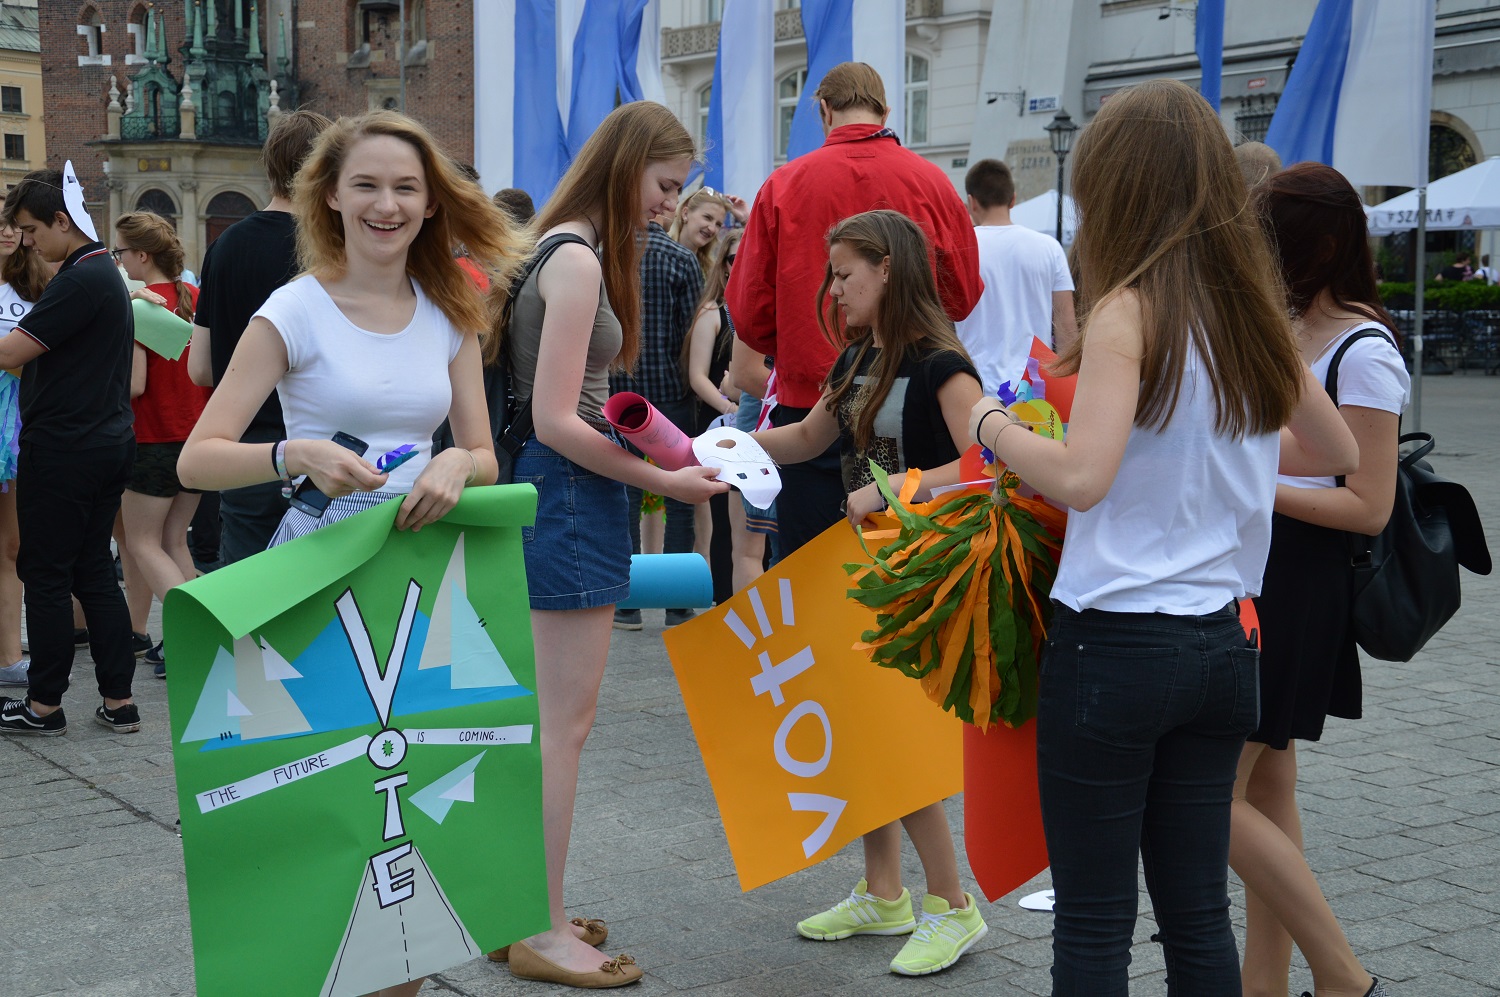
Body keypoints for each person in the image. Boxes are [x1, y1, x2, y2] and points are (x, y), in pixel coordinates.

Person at [967, 79, 1358, 995]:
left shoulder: (1128, 308)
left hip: (1116, 644)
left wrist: (991, 424)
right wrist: (1224, 454)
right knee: (1197, 917)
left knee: (1095, 926)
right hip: (1223, 645)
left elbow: (1081, 476)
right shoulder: (1251, 307)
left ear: (1114, 185)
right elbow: (1335, 450)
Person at [180, 110, 520, 997]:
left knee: (410, 818)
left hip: (419, 585)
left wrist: (457, 462)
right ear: (329, 195)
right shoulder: (292, 309)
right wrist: (293, 453)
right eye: (366, 184)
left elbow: (482, 452)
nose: (386, 204)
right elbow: (197, 458)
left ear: (432, 202)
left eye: (406, 187)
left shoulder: (450, 308)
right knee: (323, 819)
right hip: (317, 585)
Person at [489, 100, 726, 988]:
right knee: (563, 726)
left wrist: (664, 453)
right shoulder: (580, 257)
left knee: (545, 723)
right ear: (627, 165)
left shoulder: (557, 246)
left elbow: (561, 409)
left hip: (556, 488)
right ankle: (538, 928)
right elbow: (561, 418)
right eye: (664, 184)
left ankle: (523, 908)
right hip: (568, 492)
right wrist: (668, 478)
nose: (669, 203)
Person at [754, 210, 988, 976]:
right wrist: (717, 446)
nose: (833, 289)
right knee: (860, 724)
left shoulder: (941, 363)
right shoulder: (860, 355)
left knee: (889, 734)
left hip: (920, 568)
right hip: (869, 565)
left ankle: (953, 904)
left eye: (844, 273)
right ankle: (885, 892)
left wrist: (895, 489)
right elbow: (806, 438)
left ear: (887, 268)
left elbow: (986, 461)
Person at [1231, 162, 1404, 997]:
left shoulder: (1364, 349)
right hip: (1261, 571)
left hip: (1297, 584)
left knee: (1200, 793)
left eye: (1271, 239)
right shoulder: (1291, 329)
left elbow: (1369, 505)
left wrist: (1246, 481)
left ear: (1318, 248)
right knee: (1267, 788)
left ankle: (1342, 975)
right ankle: (1265, 983)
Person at [727, 60, 982, 556]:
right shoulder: (932, 182)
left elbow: (750, 314)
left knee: (810, 576)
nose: (834, 292)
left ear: (824, 110)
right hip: (867, 402)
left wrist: (798, 347)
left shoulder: (783, 184)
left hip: (824, 399)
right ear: (885, 112)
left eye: (841, 277)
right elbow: (963, 294)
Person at [0, 169, 141, 737]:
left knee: (46, 574)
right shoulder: (102, 270)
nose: (28, 242)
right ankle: (119, 701)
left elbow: (11, 353)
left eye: (32, 230)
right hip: (105, 440)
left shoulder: (80, 278)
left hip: (64, 448)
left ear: (62, 221)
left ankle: (43, 706)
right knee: (93, 571)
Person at [187, 109, 332, 563]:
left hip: (247, 453)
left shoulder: (225, 245)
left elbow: (201, 368)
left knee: (249, 592)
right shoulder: (335, 248)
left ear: (269, 166)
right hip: (328, 451)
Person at [114, 211, 210, 679]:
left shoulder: (139, 308)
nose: (118, 260)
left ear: (142, 255)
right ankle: (198, 633)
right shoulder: (195, 297)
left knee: (142, 543)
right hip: (198, 439)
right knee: (174, 540)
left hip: (153, 439)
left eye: (120, 252)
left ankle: (194, 635)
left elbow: (134, 385)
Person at [608, 183, 706, 630]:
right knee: (681, 498)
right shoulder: (682, 259)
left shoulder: (607, 255)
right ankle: (677, 604)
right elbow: (691, 337)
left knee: (623, 495)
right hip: (671, 396)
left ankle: (625, 604)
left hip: (618, 395)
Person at [954, 158, 1077, 395]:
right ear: (1013, 199)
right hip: (1035, 390)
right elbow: (1067, 329)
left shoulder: (961, 249)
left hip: (974, 387)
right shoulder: (1050, 248)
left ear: (971, 202)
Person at [0, 217, 50, 689]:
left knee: (12, 545)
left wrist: (134, 298)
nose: (7, 230)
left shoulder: (39, 284)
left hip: (21, 424)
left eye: (13, 223)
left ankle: (10, 656)